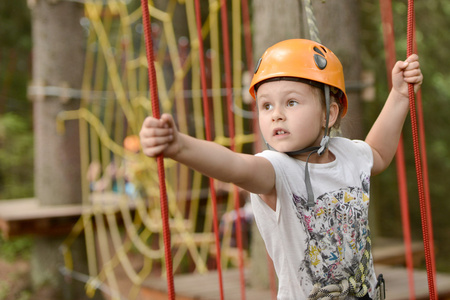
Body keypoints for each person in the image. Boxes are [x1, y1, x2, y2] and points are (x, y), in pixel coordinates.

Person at [139, 39, 422, 299]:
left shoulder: (347, 153)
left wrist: (399, 96)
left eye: (291, 102)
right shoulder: (276, 171)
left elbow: (379, 153)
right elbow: (234, 165)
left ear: (329, 113)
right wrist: (178, 146)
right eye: (266, 105)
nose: (277, 114)